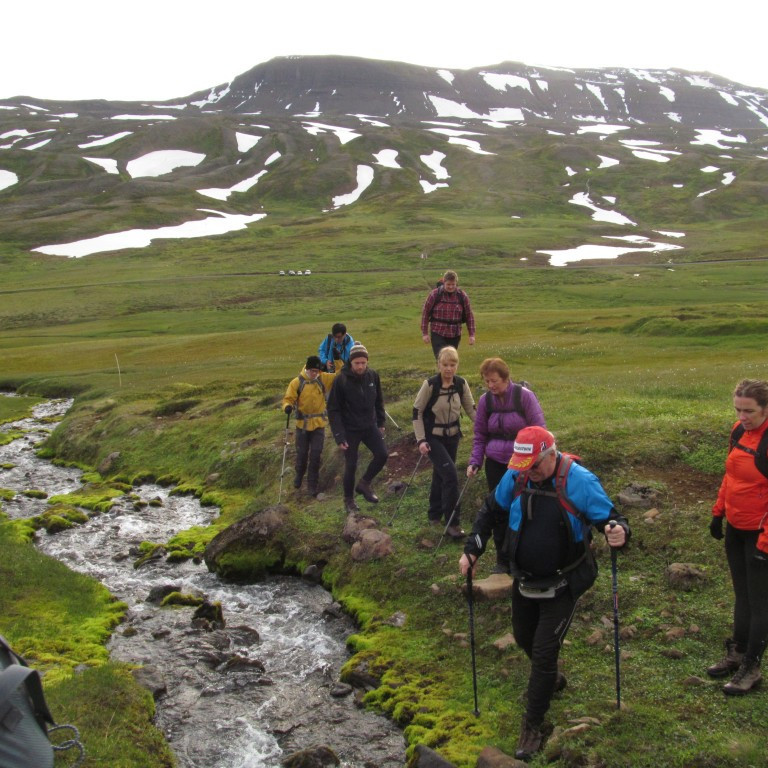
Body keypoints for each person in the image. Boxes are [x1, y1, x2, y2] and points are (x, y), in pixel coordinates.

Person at [459, 426, 629, 761]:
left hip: (565, 581)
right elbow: (490, 511)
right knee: (524, 637)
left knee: (543, 650)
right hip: (524, 578)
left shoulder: (579, 480)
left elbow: (611, 520)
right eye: (524, 466)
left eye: (535, 465)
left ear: (551, 454)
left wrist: (619, 532)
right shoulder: (517, 475)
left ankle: (533, 725)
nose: (530, 472)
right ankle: (551, 678)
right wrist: (472, 550)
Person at [707, 378, 768, 695]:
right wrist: (719, 512)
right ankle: (738, 652)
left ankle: (751, 668)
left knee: (760, 602)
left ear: (765, 409)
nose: (743, 417)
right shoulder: (738, 432)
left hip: (761, 534)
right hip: (736, 527)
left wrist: (764, 544)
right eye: (738, 410)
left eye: (750, 411)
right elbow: (730, 476)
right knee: (742, 595)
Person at [467, 358, 546, 573]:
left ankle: (525, 556)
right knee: (498, 510)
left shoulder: (525, 397)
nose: (491, 386)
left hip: (522, 463)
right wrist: (475, 461)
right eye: (487, 381)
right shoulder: (485, 401)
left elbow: (539, 429)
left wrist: (538, 461)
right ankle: (502, 560)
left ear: (505, 378)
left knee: (524, 508)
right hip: (495, 463)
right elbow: (480, 434)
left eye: (494, 381)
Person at [412, 346, 477, 538]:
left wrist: (486, 428)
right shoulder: (430, 385)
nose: (449, 369)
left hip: (453, 436)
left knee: (441, 473)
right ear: (438, 365)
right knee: (450, 475)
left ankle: (434, 514)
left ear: (457, 365)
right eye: (445, 364)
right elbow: (417, 411)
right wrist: (421, 440)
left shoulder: (461, 384)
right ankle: (452, 523)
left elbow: (472, 410)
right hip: (433, 437)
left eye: (452, 364)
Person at [327, 342, 388, 513]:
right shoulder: (341, 380)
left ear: (367, 362)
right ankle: (348, 500)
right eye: (357, 363)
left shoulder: (373, 376)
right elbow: (333, 409)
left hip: (369, 425)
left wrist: (381, 422)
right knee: (351, 464)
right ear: (351, 363)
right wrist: (339, 435)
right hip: (350, 430)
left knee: (382, 454)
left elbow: (379, 400)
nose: (360, 366)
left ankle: (364, 484)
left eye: (363, 362)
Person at [282, 356, 338, 496]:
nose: (315, 374)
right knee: (301, 454)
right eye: (313, 371)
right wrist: (287, 407)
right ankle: (299, 475)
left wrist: (337, 360)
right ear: (307, 369)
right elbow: (288, 399)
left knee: (316, 455)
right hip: (302, 426)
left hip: (319, 425)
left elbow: (339, 374)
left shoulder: (322, 379)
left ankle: (312, 484)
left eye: (317, 371)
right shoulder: (296, 382)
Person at [420, 270, 476, 358]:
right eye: (448, 284)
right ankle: (440, 371)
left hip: (455, 334)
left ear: (456, 283)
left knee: (451, 359)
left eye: (453, 284)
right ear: (444, 282)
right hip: (437, 332)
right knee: (441, 358)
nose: (451, 287)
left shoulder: (462, 296)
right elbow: (425, 313)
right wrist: (425, 333)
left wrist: (472, 335)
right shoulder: (434, 295)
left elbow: (469, 316)